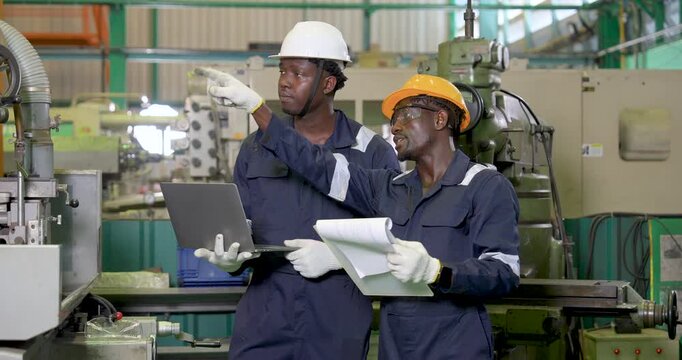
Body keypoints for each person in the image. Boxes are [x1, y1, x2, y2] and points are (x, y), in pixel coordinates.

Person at [202, 71, 521, 359]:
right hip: (396, 347)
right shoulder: (388, 188)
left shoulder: (485, 186)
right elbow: (317, 164)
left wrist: (438, 271)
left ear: (439, 120)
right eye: (394, 118)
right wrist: (259, 109)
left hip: (456, 347)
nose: (395, 126)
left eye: (406, 115)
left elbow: (504, 273)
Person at [194, 21, 400, 360]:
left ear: (329, 83)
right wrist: (230, 260)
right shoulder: (255, 149)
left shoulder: (373, 153)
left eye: (299, 74)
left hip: (337, 321)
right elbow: (241, 227)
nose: (285, 82)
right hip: (264, 317)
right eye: (282, 71)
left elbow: (394, 242)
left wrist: (338, 258)